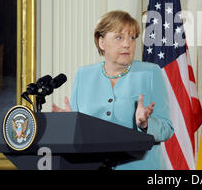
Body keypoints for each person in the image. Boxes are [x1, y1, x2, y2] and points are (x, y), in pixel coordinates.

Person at [52, 10, 174, 170]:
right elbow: (79, 132)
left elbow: (167, 129)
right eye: (119, 37)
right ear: (101, 42)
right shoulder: (84, 75)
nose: (127, 44)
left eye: (132, 38)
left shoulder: (150, 73)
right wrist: (69, 124)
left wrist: (145, 124)